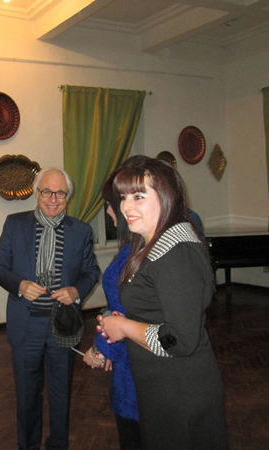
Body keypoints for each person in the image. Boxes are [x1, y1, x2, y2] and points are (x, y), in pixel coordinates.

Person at [98, 158, 227, 449]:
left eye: (138, 196)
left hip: (180, 389)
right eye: (123, 197)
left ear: (167, 196)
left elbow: (179, 340)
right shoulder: (151, 244)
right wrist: (121, 320)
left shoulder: (176, 253)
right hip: (160, 385)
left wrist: (124, 327)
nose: (126, 207)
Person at [0, 168, 101, 450]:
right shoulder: (15, 224)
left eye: (60, 193)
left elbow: (91, 272)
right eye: (47, 191)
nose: (53, 198)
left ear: (68, 196)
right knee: (27, 395)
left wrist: (76, 291)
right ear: (37, 193)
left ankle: (58, 445)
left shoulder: (81, 231)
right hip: (25, 323)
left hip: (62, 324)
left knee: (60, 394)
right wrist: (20, 284)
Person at [82, 167, 141, 450]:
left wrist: (99, 351)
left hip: (135, 369)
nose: (108, 211)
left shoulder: (136, 253)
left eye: (109, 204)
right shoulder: (134, 246)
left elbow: (130, 315)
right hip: (127, 359)